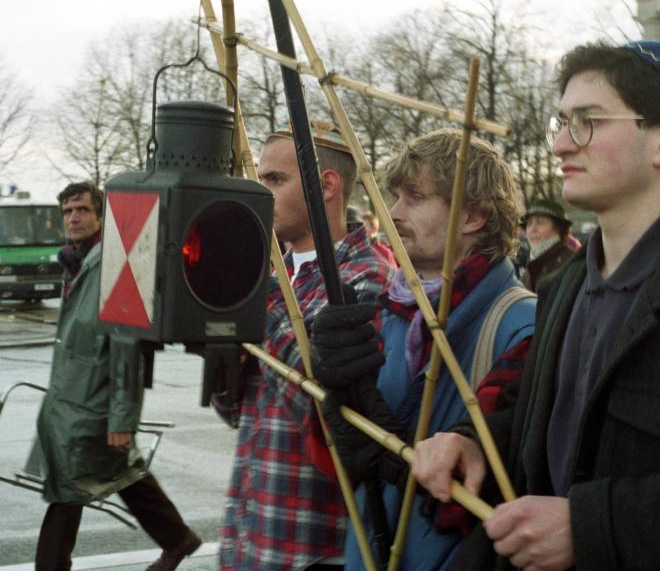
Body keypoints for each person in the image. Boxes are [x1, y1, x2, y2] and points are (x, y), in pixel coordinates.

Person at [412, 41, 660, 571]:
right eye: (562, 122)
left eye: (588, 121)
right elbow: (539, 420)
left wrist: (592, 527)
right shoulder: (561, 288)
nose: (561, 145)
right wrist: (476, 445)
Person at [311, 129, 537, 570]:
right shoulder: (382, 311)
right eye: (395, 196)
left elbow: (481, 482)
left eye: (414, 197)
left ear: (471, 216)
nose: (392, 213)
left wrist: (397, 457)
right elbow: (332, 465)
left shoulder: (522, 325)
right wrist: (331, 396)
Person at [216, 123, 395, 571]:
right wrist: (219, 356)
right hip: (253, 533)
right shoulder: (278, 278)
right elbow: (237, 409)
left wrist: (261, 298)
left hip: (313, 547)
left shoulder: (366, 278)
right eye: (261, 180)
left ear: (327, 185)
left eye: (275, 180)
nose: (262, 192)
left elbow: (324, 404)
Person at [35, 182, 200, 571]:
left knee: (68, 490)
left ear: (101, 215)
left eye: (83, 210)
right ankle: (179, 538)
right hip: (71, 402)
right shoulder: (75, 263)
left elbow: (128, 344)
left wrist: (123, 416)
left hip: (92, 404)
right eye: (67, 211)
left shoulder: (114, 262)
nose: (74, 217)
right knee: (122, 475)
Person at [520, 198, 577, 292]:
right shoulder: (530, 265)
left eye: (540, 223)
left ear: (558, 228)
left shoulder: (571, 263)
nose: (533, 229)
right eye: (529, 224)